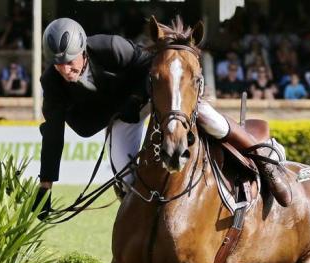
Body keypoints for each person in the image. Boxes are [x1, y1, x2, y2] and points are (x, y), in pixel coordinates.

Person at [35, 18, 292, 217]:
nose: (65, 70)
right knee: (124, 178)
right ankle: (148, 217)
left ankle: (265, 157)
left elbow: (155, 64)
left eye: (70, 62)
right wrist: (46, 185)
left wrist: (136, 99)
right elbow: (53, 133)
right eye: (58, 65)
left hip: (153, 92)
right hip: (120, 115)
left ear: (83, 50)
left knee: (203, 114)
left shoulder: (111, 47)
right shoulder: (51, 82)